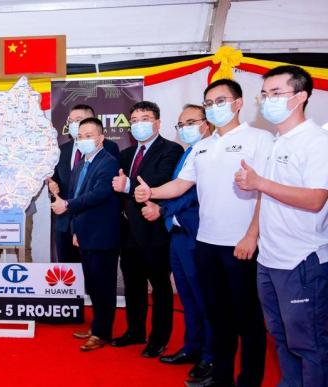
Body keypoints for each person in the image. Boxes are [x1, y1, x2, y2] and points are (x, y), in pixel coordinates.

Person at [134, 79, 271, 387]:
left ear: (238, 104)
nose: (214, 108)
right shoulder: (202, 147)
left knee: (247, 320)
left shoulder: (259, 139)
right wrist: (151, 191)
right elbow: (181, 185)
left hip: (241, 245)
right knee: (218, 316)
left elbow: (265, 192)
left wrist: (252, 234)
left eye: (219, 101)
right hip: (205, 243)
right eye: (209, 103)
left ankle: (249, 380)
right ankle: (220, 377)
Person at [235, 65, 328, 387]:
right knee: (281, 336)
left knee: (310, 343)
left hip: (301, 260)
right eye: (264, 95)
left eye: (276, 94)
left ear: (300, 97)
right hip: (270, 258)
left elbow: (316, 199)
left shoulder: (316, 141)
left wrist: (260, 182)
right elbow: (266, 194)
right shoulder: (277, 141)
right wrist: (252, 233)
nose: (267, 101)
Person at [139, 105, 214, 383]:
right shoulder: (188, 152)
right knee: (188, 297)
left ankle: (210, 355)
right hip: (179, 236)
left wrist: (161, 208)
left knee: (204, 298)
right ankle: (192, 347)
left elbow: (190, 193)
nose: (185, 128)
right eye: (181, 124)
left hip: (197, 235)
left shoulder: (211, 151)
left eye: (191, 122)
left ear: (206, 124)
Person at [111, 101, 183, 358]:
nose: (139, 123)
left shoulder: (171, 150)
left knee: (160, 287)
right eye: (135, 119)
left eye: (145, 118)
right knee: (133, 284)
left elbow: (161, 182)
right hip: (128, 230)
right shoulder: (126, 154)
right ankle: (135, 331)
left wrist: (128, 186)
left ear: (157, 122)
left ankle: (158, 338)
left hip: (154, 230)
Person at [50, 117, 121, 351]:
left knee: (103, 285)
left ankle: (102, 333)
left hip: (102, 234)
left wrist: (67, 205)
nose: (84, 140)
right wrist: (76, 229)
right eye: (80, 136)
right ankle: (96, 327)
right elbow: (78, 193)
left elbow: (98, 195)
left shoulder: (108, 162)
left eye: (89, 136)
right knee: (92, 283)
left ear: (101, 138)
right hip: (85, 232)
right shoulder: (81, 164)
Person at [48, 104, 119, 263]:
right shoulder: (62, 150)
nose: (74, 124)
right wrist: (52, 188)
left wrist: (68, 204)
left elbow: (102, 189)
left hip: (92, 223)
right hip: (65, 222)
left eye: (78, 120)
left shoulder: (108, 150)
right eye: (71, 121)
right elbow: (57, 182)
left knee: (95, 278)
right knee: (68, 276)